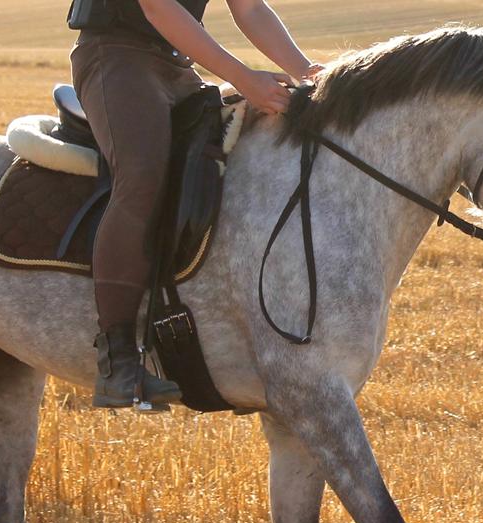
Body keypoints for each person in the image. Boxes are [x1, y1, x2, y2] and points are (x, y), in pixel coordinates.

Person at [69, 0, 322, 408]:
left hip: (176, 66)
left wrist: (311, 74)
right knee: (143, 178)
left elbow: (251, 9)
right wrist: (245, 78)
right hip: (114, 58)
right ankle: (116, 357)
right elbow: (158, 8)